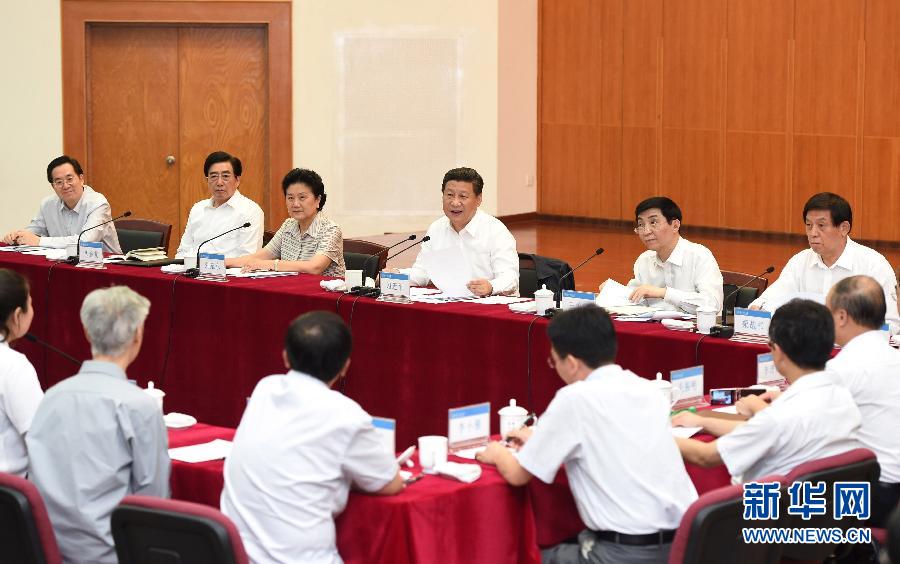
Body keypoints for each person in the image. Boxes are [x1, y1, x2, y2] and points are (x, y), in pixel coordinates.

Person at [476, 305, 697, 563]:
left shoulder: (574, 398)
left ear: (571, 363)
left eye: (553, 361)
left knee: (519, 555)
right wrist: (540, 439)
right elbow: (612, 438)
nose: (554, 367)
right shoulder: (646, 389)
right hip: (684, 545)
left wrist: (497, 453)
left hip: (624, 554)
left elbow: (517, 475)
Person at [221, 310, 403, 563]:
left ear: (285, 357)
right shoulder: (346, 415)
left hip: (238, 557)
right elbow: (390, 484)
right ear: (345, 366)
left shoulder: (265, 387)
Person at [26, 286, 169, 564]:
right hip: (110, 554)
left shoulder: (52, 396)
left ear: (87, 332)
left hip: (44, 549)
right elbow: (154, 504)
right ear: (137, 334)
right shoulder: (139, 406)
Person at [672, 299, 861, 483]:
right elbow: (758, 433)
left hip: (768, 501)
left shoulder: (777, 418)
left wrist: (660, 433)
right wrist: (703, 422)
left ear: (777, 351)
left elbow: (704, 456)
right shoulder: (844, 397)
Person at [749, 192, 900, 332]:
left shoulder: (874, 265)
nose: (813, 233)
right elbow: (769, 301)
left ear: (844, 228)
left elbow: (892, 324)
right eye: (809, 225)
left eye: (821, 225)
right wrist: (759, 309)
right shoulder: (800, 262)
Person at [823, 275, 900, 527]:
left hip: (875, 495)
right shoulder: (894, 356)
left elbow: (802, 425)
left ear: (841, 316)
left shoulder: (844, 367)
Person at [400, 167, 519, 297]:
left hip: (491, 302)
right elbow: (423, 272)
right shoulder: (436, 228)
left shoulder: (495, 231)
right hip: (450, 300)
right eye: (450, 195)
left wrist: (491, 286)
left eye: (463, 196)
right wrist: (396, 275)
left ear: (478, 199)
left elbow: (510, 278)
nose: (455, 202)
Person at [227, 168, 345, 277]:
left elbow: (315, 267)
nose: (295, 204)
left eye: (302, 197)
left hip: (324, 292)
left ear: (318, 200)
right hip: (292, 289)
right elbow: (258, 258)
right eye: (290, 198)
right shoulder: (288, 225)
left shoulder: (331, 230)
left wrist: (271, 264)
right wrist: (223, 262)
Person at [2, 155, 122, 254]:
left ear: (81, 179)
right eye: (59, 182)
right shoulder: (48, 204)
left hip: (104, 266)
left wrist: (39, 241)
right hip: (63, 263)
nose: (65, 186)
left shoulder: (98, 203)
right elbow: (34, 231)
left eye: (69, 179)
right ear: (53, 186)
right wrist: (17, 236)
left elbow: (84, 242)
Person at [623, 196, 723, 314]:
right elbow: (633, 298)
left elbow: (713, 304)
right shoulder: (644, 260)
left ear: (675, 225)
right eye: (641, 225)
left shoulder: (700, 256)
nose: (646, 231)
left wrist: (664, 293)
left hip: (694, 325)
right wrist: (612, 292)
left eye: (653, 222)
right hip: (653, 324)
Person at [175, 151, 264, 258]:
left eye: (225, 176)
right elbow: (183, 251)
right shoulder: (198, 209)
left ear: (237, 180)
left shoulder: (250, 211)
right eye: (213, 176)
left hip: (229, 268)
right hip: (191, 267)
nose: (219, 182)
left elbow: (248, 258)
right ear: (207, 180)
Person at [0, 269, 43, 476]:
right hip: (8, 489)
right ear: (17, 316)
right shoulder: (13, 366)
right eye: (31, 304)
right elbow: (40, 437)